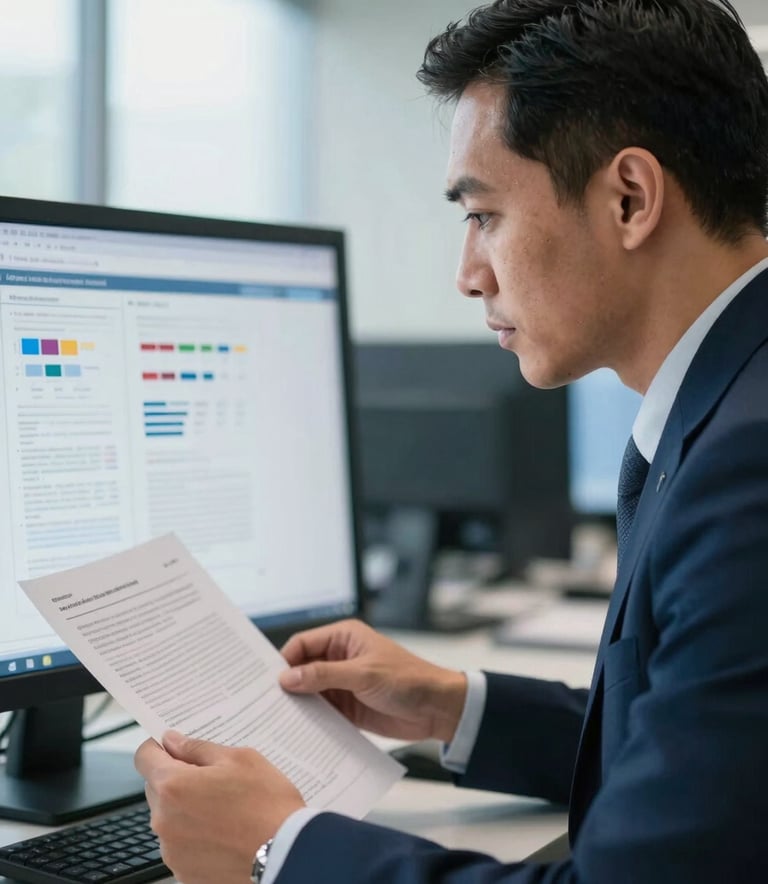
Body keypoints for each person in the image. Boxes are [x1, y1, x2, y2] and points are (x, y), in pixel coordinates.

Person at [135, 0, 768, 881]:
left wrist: (277, 847)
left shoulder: (747, 465)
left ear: (630, 198)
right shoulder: (733, 404)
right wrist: (452, 705)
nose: (467, 275)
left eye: (484, 215)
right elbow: (709, 767)